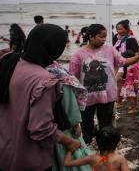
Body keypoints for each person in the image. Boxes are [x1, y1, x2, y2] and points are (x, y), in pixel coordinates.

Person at [0, 24, 81, 171]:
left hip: (4, 151)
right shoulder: (44, 79)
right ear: (55, 49)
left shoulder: (8, 61)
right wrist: (68, 141)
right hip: (29, 159)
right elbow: (40, 128)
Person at [69, 24, 139, 144]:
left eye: (105, 37)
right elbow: (72, 77)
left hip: (107, 95)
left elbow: (123, 61)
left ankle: (104, 147)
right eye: (101, 37)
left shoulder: (109, 49)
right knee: (86, 124)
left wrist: (137, 58)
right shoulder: (77, 55)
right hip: (86, 97)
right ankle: (87, 146)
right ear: (91, 36)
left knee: (106, 124)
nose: (104, 40)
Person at [46, 62, 92, 171]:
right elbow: (69, 103)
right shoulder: (58, 73)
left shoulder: (19, 69)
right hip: (62, 127)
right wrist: (76, 123)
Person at [64, 126, 130, 171]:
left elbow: (66, 163)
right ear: (117, 144)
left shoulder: (91, 158)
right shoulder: (120, 159)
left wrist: (71, 149)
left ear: (97, 142)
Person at [112, 20, 139, 108]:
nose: (118, 31)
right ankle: (119, 102)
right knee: (118, 82)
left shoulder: (131, 39)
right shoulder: (115, 38)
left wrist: (134, 65)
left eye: (121, 29)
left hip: (129, 64)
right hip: (118, 62)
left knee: (126, 83)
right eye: (117, 29)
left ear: (127, 29)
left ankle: (129, 104)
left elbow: (137, 54)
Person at [121, 50, 139, 114]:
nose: (125, 61)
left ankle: (133, 108)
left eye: (125, 59)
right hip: (129, 83)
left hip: (132, 84)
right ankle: (134, 107)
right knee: (133, 96)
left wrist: (136, 85)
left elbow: (136, 76)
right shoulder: (131, 65)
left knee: (131, 97)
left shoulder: (134, 66)